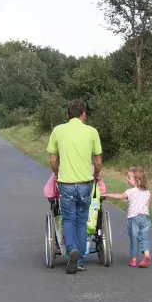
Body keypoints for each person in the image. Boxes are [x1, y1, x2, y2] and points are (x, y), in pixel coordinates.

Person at [46, 99, 102, 274]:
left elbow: (53, 159)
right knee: (81, 220)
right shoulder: (92, 132)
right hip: (85, 183)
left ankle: (72, 250)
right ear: (83, 114)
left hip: (66, 183)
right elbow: (98, 161)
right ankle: (80, 259)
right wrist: (95, 175)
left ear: (68, 114)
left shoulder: (58, 130)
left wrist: (56, 173)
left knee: (68, 219)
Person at [104, 167, 152, 268]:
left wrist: (107, 194)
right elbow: (148, 205)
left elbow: (121, 196)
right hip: (145, 217)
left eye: (129, 178)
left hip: (134, 217)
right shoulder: (147, 192)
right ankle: (147, 255)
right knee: (144, 237)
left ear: (137, 180)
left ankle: (134, 260)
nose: (127, 179)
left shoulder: (131, 191)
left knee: (134, 238)